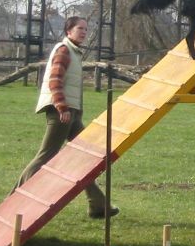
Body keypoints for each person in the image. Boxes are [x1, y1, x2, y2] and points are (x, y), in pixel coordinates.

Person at [12, 16, 119, 219]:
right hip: (61, 112)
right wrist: (62, 107)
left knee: (85, 157)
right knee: (46, 155)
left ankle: (98, 205)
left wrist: (73, 111)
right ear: (68, 31)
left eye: (86, 29)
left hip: (71, 114)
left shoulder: (74, 51)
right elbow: (54, 80)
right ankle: (15, 198)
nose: (84, 32)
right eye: (80, 29)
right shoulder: (64, 50)